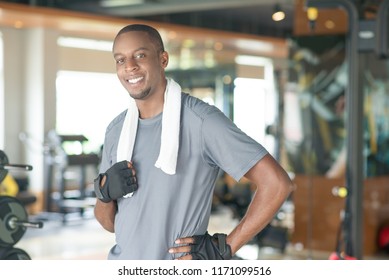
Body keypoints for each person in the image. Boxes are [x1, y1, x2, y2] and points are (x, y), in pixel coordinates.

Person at [93, 23, 294, 260]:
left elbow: (278, 183)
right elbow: (109, 223)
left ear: (163, 59)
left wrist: (225, 248)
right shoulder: (116, 130)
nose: (130, 66)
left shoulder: (201, 121)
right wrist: (105, 193)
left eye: (140, 55)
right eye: (120, 60)